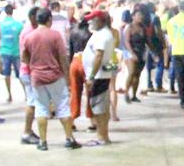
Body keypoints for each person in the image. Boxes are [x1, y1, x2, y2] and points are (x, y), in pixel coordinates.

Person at [22, 8, 79, 151]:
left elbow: (24, 58)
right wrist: (67, 76)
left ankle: (43, 141)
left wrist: (34, 65)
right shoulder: (55, 36)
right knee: (62, 107)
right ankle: (69, 139)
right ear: (49, 20)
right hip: (55, 77)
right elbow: (63, 57)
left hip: (37, 78)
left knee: (41, 109)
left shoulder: (29, 37)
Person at [82, 11, 117, 146]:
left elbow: (98, 56)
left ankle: (101, 137)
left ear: (101, 21)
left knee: (99, 107)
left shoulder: (102, 35)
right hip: (99, 75)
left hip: (98, 76)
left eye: (93, 20)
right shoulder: (101, 34)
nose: (90, 22)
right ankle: (103, 136)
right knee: (100, 107)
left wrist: (91, 76)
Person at [18, 6, 41, 145]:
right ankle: (26, 132)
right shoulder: (29, 32)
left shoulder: (32, 31)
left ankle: (29, 130)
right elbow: (25, 56)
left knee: (33, 103)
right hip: (29, 72)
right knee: (32, 103)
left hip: (30, 71)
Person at [0, 3, 24, 103]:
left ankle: (9, 95)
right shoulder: (18, 25)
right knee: (20, 74)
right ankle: (26, 94)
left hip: (5, 51)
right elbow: (22, 38)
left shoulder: (0, 24)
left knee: (6, 75)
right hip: (16, 51)